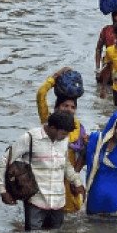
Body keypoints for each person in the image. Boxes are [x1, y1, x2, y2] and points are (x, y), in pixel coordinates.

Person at [0, 112, 86, 231]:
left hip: (58, 201)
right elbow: (5, 161)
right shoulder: (30, 138)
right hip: (35, 200)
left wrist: (76, 181)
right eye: (63, 133)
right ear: (52, 128)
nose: (66, 136)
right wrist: (2, 190)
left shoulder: (64, 140)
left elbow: (65, 164)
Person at [36, 67, 86, 213]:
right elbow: (40, 95)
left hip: (68, 177)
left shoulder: (78, 127)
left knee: (71, 213)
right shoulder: (49, 121)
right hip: (48, 173)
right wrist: (54, 77)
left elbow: (82, 155)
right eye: (65, 106)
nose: (69, 109)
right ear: (57, 107)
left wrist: (75, 177)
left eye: (72, 107)